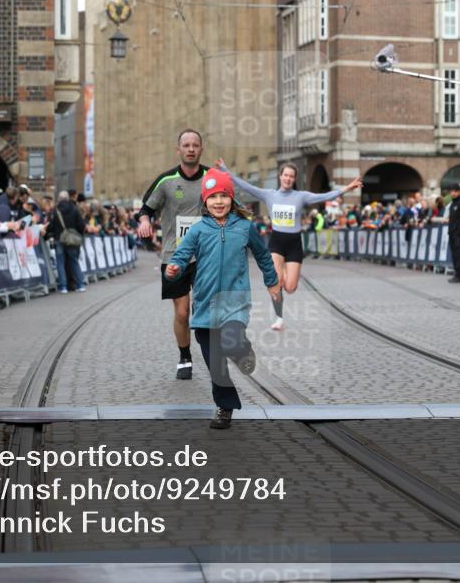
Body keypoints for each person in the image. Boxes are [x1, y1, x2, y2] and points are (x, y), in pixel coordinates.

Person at [165, 169, 280, 429]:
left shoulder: (245, 227)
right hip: (204, 305)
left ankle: (242, 351)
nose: (218, 201)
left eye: (223, 196)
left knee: (231, 339)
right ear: (205, 201)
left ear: (232, 198)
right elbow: (181, 256)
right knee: (215, 364)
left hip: (234, 302)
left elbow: (263, 256)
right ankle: (225, 406)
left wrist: (272, 282)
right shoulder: (197, 230)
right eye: (213, 196)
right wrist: (174, 269)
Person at [215, 159, 361, 331]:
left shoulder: (301, 196)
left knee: (290, 287)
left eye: (291, 176)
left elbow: (323, 197)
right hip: (276, 242)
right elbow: (246, 186)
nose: (288, 179)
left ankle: (283, 271)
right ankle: (279, 318)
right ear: (280, 176)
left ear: (294, 179)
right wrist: (226, 170)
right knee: (276, 283)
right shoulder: (269, 194)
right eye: (285, 175)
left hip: (294, 243)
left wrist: (346, 189)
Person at [136, 129, 211, 380]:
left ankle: (212, 354)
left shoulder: (213, 178)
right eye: (186, 145)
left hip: (206, 255)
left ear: (201, 149)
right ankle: (185, 356)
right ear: (178, 150)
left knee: (205, 309)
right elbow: (145, 209)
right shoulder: (166, 181)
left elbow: (232, 206)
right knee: (182, 312)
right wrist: (144, 222)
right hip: (174, 255)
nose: (191, 149)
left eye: (195, 145)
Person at [48, 190, 87, 293]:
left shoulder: (56, 211)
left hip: (59, 239)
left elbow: (51, 226)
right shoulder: (74, 209)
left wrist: (48, 233)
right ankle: (80, 285)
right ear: (68, 199)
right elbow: (81, 225)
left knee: (60, 262)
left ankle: (63, 287)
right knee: (74, 261)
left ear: (59, 199)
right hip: (72, 240)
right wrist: (77, 233)